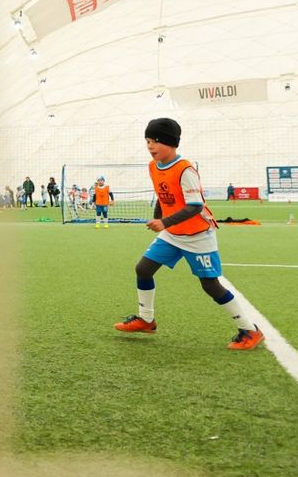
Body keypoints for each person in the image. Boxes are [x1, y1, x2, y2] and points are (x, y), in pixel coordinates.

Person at [114, 118, 265, 350]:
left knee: (210, 285)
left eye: (155, 141)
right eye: (147, 141)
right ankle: (146, 320)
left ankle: (249, 330)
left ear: (171, 143)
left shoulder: (185, 169)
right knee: (143, 269)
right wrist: (161, 220)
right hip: (173, 233)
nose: (150, 146)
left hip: (197, 235)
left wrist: (163, 222)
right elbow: (163, 197)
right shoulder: (153, 166)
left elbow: (194, 205)